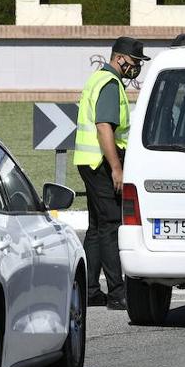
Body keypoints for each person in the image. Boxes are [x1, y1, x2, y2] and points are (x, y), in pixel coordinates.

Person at [74, 37, 149, 310]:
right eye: (134, 62)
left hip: (88, 162)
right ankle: (118, 293)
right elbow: (104, 127)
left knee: (95, 228)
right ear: (119, 59)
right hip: (102, 163)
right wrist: (116, 167)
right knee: (109, 226)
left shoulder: (97, 79)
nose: (136, 68)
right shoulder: (109, 84)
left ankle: (90, 290)